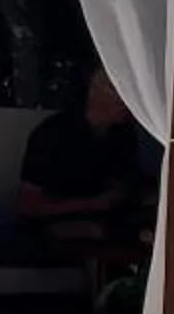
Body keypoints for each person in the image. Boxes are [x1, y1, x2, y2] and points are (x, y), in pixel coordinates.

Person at [17, 65, 155, 257]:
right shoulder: (52, 134)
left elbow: (126, 180)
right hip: (56, 226)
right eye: (123, 96)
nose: (130, 105)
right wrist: (91, 204)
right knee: (90, 231)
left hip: (112, 220)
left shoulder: (123, 135)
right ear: (96, 93)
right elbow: (28, 205)